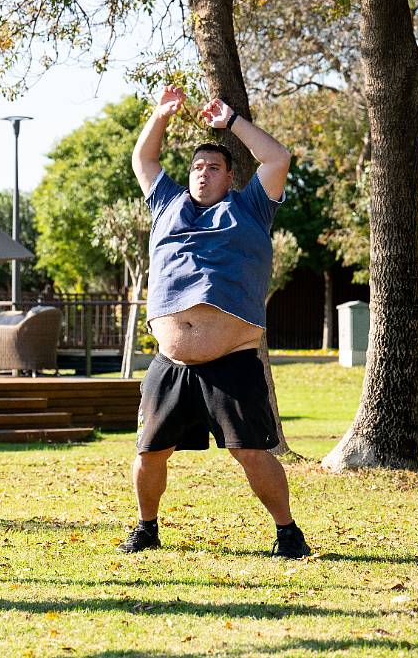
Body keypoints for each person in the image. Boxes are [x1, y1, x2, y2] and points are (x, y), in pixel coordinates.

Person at [118, 86, 311, 559]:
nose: (204, 173)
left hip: (233, 359)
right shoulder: (167, 204)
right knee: (149, 452)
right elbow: (143, 159)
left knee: (250, 451)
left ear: (230, 178)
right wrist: (160, 116)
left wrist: (231, 122)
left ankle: (288, 533)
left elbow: (277, 157)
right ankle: (146, 528)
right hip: (172, 362)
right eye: (198, 167)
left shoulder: (249, 208)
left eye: (214, 167)